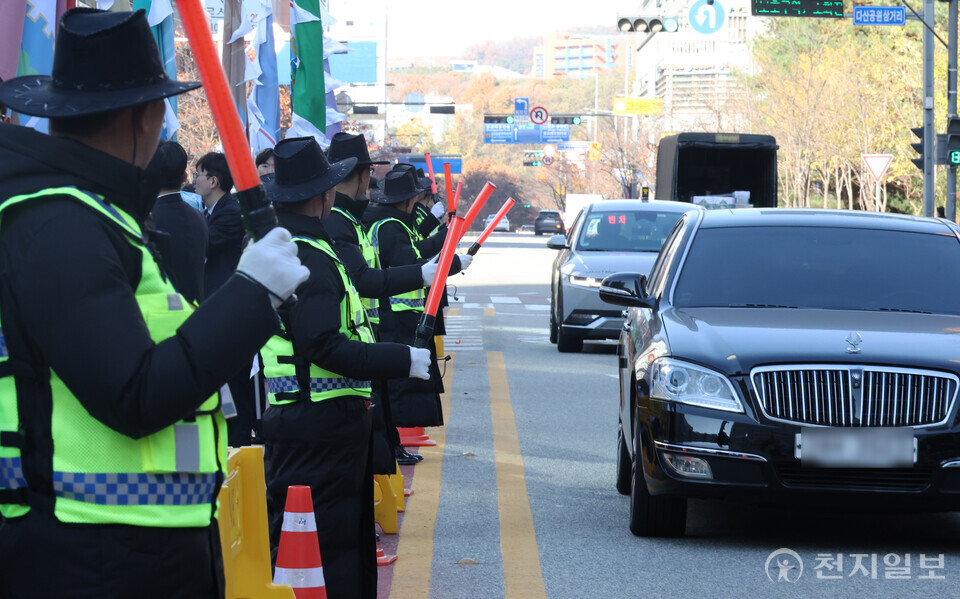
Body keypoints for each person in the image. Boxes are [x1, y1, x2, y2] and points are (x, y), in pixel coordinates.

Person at [0, 8, 309, 598]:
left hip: (124, 549)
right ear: (146, 117)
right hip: (87, 558)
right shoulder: (60, 223)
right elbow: (134, 393)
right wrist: (250, 295)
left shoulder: (96, 216)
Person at [259, 137, 431, 599]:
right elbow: (323, 344)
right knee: (328, 551)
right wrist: (401, 359)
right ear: (323, 195)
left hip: (317, 424)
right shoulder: (309, 257)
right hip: (317, 427)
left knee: (339, 546)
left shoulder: (304, 246)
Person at [325, 132, 437, 467]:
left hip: (365, 332)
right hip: (350, 341)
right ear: (361, 175)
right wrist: (421, 274)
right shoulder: (340, 223)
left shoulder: (349, 219)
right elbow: (363, 279)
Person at [364, 171, 472, 430]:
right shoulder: (391, 227)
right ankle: (399, 437)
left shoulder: (394, 223)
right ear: (408, 201)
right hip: (394, 315)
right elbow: (411, 264)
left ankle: (398, 440)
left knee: (403, 380)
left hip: (399, 314)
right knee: (399, 383)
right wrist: (452, 261)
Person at [146, 140, 208, 304]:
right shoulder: (199, 217)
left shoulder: (147, 220)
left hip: (164, 315)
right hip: (196, 312)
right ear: (184, 176)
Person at [195, 151, 243, 297]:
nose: (194, 181)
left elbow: (202, 245)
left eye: (197, 175)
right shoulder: (209, 211)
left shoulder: (231, 213)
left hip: (223, 294)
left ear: (213, 181)